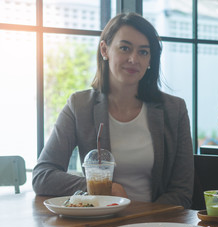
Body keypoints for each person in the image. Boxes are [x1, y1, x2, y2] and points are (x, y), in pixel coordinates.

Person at [32, 12, 194, 208]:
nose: (134, 59)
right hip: (99, 223)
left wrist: (142, 219)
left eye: (143, 52)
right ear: (105, 50)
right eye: (125, 48)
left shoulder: (174, 109)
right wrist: (103, 188)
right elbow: (42, 175)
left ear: (151, 59)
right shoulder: (79, 105)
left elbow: (182, 192)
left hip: (155, 225)